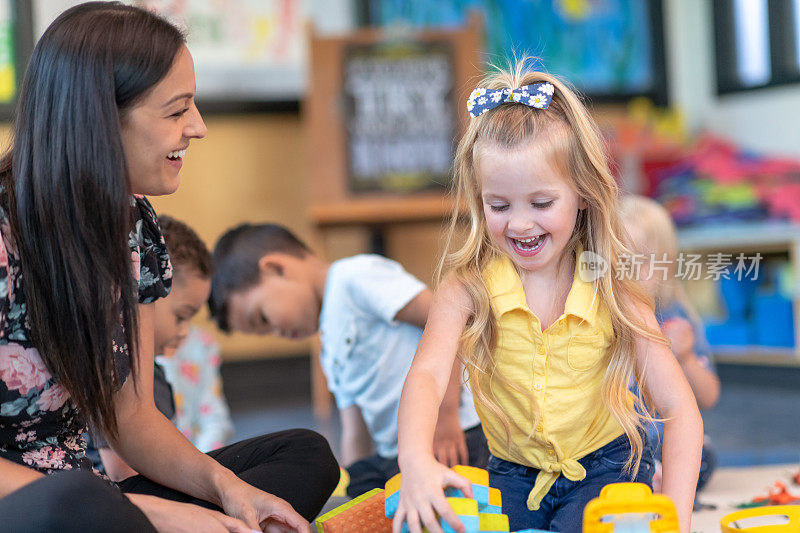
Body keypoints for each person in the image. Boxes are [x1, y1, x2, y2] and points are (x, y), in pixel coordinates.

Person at [0, 4, 337, 532]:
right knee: (76, 505)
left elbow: (131, 417)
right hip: (42, 508)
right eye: (177, 110)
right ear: (101, 118)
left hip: (96, 500)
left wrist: (231, 493)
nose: (197, 127)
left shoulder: (132, 224)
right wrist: (152, 512)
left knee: (305, 455)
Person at [392, 64, 703, 533]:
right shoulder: (467, 285)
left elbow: (680, 409)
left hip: (606, 469)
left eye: (540, 204)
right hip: (509, 476)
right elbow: (428, 375)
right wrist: (414, 461)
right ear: (480, 201)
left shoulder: (612, 284)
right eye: (499, 206)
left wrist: (676, 518)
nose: (519, 224)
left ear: (581, 194)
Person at [208, 224, 488, 498]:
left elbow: (446, 323)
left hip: (450, 432)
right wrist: (357, 486)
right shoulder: (329, 345)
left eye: (264, 319)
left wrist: (446, 415)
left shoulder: (355, 277)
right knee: (361, 485)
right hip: (399, 454)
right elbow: (354, 426)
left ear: (275, 268)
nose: (276, 333)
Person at [94, 215, 234, 481]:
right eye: (181, 316)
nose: (184, 332)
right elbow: (124, 476)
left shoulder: (152, 372)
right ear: (146, 292)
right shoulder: (113, 368)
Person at [620, 194, 720, 493]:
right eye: (619, 261)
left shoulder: (677, 320)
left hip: (669, 445)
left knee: (704, 458)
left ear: (665, 265)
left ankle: (661, 475)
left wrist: (687, 358)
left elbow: (710, 396)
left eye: (641, 262)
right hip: (619, 448)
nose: (628, 273)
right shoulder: (600, 317)